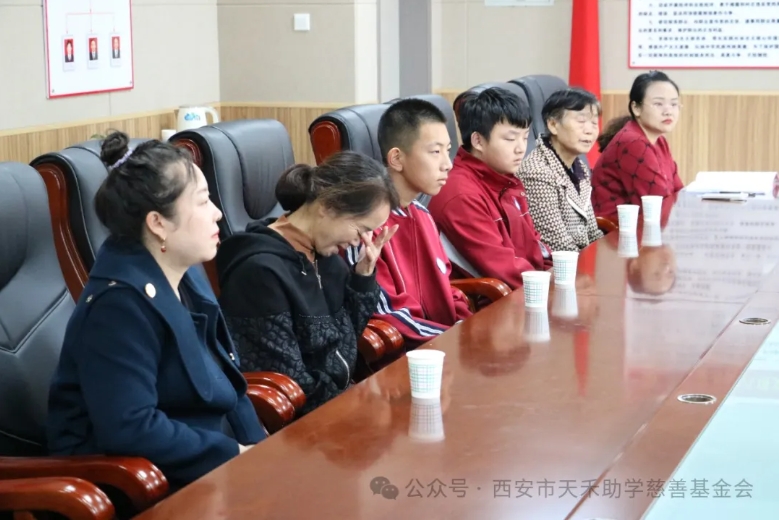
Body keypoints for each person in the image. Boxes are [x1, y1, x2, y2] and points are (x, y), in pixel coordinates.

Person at [46, 131, 265, 491]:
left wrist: (261, 452)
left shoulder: (185, 272)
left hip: (205, 463)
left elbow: (228, 382)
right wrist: (234, 455)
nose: (217, 213)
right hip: (141, 484)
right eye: (202, 201)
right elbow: (131, 427)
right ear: (158, 223)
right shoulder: (118, 307)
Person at [216, 151, 399, 415]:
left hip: (339, 403)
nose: (360, 242)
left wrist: (362, 277)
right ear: (327, 206)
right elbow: (289, 381)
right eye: (361, 230)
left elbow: (345, 343)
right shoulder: (259, 273)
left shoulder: (328, 259)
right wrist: (359, 406)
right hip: (305, 420)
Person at [344, 99, 471, 348]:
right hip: (406, 357)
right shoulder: (366, 227)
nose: (448, 164)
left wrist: (469, 326)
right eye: (435, 152)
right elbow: (387, 317)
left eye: (448, 150)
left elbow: (446, 286)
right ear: (396, 158)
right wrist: (458, 339)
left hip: (443, 345)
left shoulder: (422, 214)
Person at [427, 87, 551, 290]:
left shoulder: (506, 180)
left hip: (529, 288)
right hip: (494, 301)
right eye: (510, 139)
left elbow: (535, 246)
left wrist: (558, 273)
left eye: (525, 137)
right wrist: (551, 283)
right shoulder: (461, 195)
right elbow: (503, 269)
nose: (521, 148)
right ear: (478, 141)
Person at [591, 71, 684, 223]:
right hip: (615, 231)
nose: (668, 111)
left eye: (674, 104)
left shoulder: (659, 141)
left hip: (643, 228)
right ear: (636, 108)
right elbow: (658, 206)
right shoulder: (633, 143)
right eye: (658, 104)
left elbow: (679, 193)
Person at [518, 88, 604, 252]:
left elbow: (592, 232)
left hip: (581, 258)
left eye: (594, 123)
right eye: (581, 121)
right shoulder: (537, 171)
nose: (590, 130)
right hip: (560, 264)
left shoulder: (579, 167)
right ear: (553, 125)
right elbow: (557, 244)